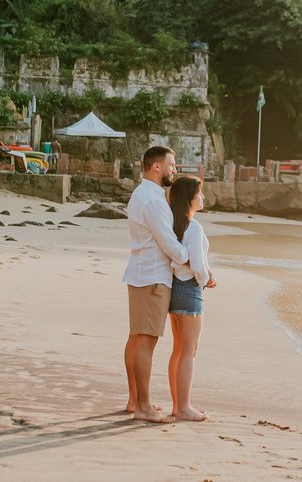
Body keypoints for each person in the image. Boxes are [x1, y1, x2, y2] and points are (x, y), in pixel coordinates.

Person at [123, 145, 187, 423]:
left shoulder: (146, 195)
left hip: (142, 274)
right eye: (171, 164)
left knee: (137, 338)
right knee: (145, 343)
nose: (175, 168)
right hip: (152, 278)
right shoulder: (152, 199)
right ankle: (143, 407)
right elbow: (169, 243)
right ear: (156, 166)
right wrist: (192, 259)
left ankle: (135, 400)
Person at [167, 175, 216, 422]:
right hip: (190, 289)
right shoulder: (194, 227)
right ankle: (183, 408)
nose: (203, 196)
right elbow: (196, 264)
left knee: (179, 350)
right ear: (189, 197)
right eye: (199, 192)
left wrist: (205, 272)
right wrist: (205, 278)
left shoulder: (176, 224)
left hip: (176, 288)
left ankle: (179, 406)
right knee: (189, 351)